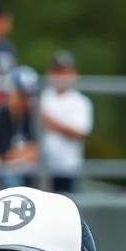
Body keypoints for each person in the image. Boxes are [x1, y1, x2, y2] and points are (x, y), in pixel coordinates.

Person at [39, 51, 92, 194]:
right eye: (57, 71)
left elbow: (79, 132)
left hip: (67, 166)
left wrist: (52, 123)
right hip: (42, 166)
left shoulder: (80, 101)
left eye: (65, 71)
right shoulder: (44, 96)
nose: (61, 76)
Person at [0, 65, 39, 189]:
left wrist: (27, 153)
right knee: (10, 174)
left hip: (27, 169)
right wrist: (27, 153)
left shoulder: (32, 117)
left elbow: (37, 150)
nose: (26, 100)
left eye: (29, 95)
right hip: (4, 173)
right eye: (23, 95)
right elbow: (5, 156)